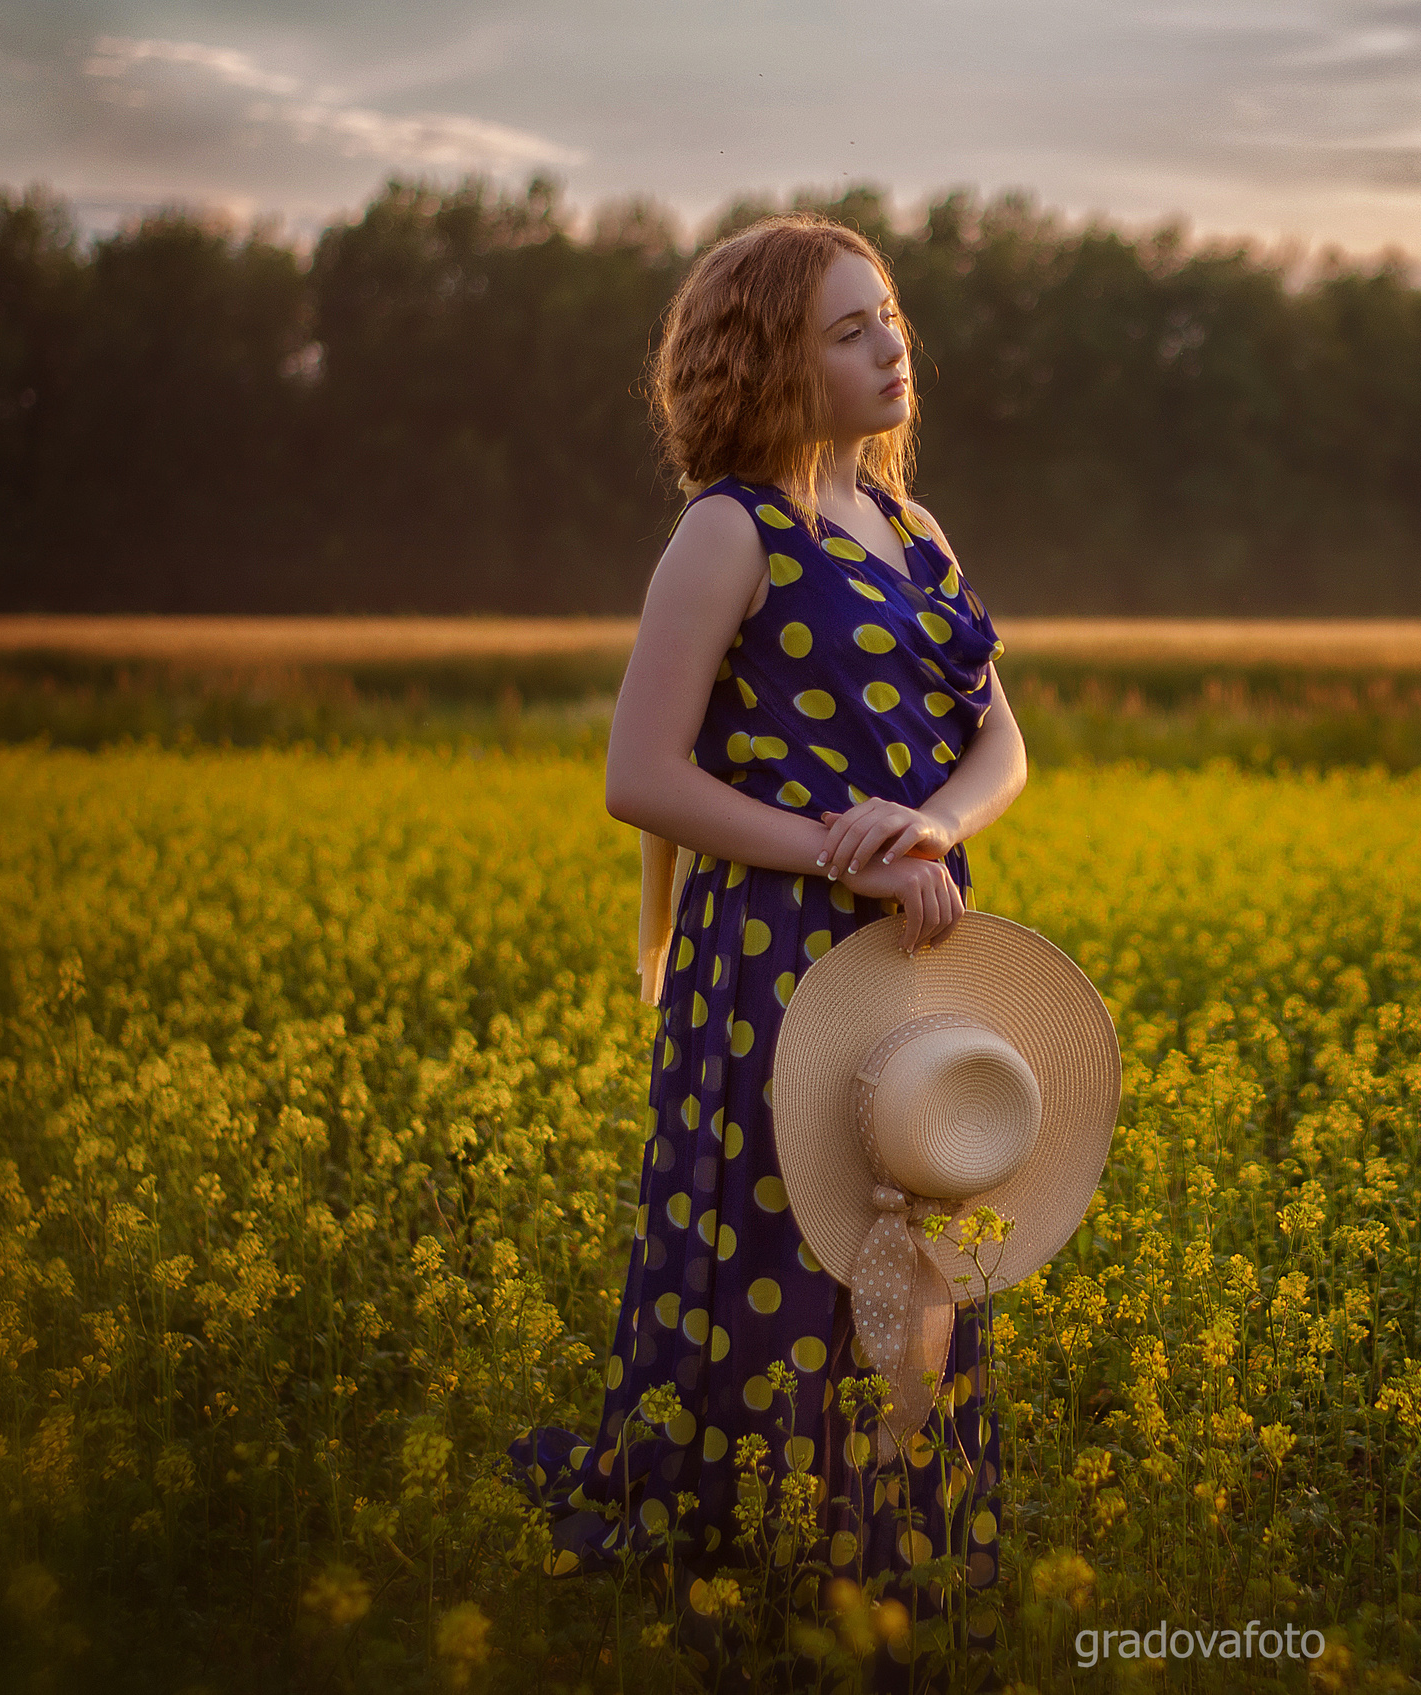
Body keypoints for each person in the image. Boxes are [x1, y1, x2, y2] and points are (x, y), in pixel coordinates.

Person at [510, 212, 1028, 1688]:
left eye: (893, 317)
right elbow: (640, 773)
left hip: (916, 945)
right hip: (778, 957)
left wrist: (923, 835)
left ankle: (893, 1563)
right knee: (783, 1261)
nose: (890, 346)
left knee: (915, 1250)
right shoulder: (728, 532)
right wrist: (835, 849)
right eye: (849, 329)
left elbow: (1004, 747)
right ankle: (750, 1574)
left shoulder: (916, 532)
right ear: (768, 361)